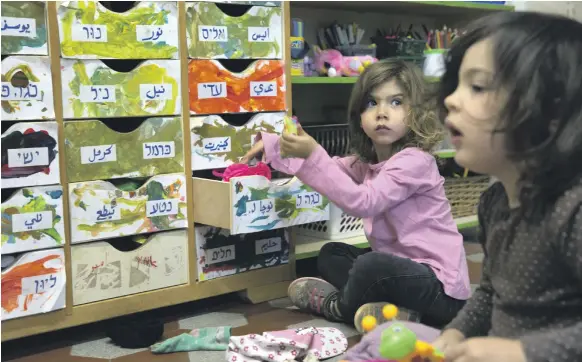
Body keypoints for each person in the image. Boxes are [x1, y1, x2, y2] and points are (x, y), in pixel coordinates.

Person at [241, 59, 470, 331]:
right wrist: (280, 146)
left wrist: (312, 153)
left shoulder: (415, 161)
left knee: (370, 265)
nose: (382, 113)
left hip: (439, 290)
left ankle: (338, 306)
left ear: (416, 113)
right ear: (360, 118)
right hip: (400, 276)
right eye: (372, 103)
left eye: (396, 102)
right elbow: (330, 168)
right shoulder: (369, 163)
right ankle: (398, 313)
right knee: (331, 252)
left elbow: (363, 202)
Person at [430, 11, 582, 362]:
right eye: (455, 85)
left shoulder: (571, 208)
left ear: (552, 112)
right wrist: (455, 332)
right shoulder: (494, 202)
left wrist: (522, 352)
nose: (452, 99)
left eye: (478, 86)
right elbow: (489, 294)